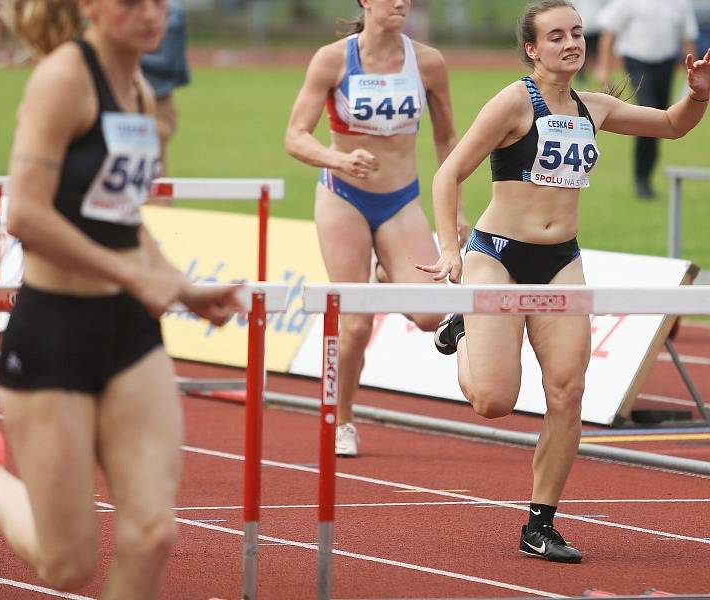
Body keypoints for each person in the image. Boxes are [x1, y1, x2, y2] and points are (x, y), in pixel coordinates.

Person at [0, 0, 244, 596]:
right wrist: (133, 277)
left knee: (153, 534)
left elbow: (126, 221)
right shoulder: (65, 78)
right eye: (132, 3)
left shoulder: (140, 91)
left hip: (129, 336)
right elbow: (23, 213)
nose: (153, 14)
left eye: (160, 1)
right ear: (91, 7)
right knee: (68, 565)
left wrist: (181, 286)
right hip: (54, 336)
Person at [419, 0, 708, 562]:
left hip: (561, 260)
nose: (572, 43)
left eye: (578, 33)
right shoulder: (512, 103)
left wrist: (697, 94)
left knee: (568, 391)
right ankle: (466, 330)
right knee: (494, 401)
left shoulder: (592, 107)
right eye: (557, 36)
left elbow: (671, 126)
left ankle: (540, 523)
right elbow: (449, 172)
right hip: (497, 256)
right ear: (532, 49)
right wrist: (451, 250)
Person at [284, 0, 467, 458]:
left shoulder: (427, 62)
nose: (401, 3)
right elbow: (295, 136)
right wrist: (338, 158)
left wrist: (455, 207)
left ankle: (389, 272)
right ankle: (343, 420)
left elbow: (448, 138)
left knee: (429, 316)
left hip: (402, 199)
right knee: (356, 322)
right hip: (343, 196)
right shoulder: (332, 59)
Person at [595, 0, 699, 199]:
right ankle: (641, 179)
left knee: (663, 119)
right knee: (648, 111)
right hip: (637, 61)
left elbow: (688, 38)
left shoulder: (681, 3)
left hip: (665, 64)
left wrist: (693, 71)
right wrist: (603, 66)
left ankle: (647, 176)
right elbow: (609, 32)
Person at [140, 0, 189, 175]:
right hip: (129, 98)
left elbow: (170, 63)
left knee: (153, 176)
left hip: (158, 102)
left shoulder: (171, 12)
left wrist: (125, 55)